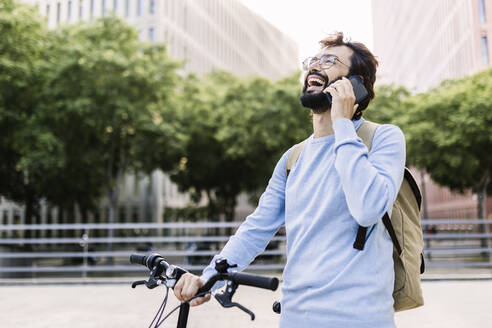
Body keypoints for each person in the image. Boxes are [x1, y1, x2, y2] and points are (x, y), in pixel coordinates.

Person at [174, 32, 405, 328]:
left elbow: (369, 208)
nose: (315, 67)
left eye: (330, 61)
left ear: (356, 85)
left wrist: (343, 125)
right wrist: (208, 276)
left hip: (359, 318)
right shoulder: (293, 158)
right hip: (295, 317)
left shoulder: (383, 138)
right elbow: (256, 228)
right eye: (314, 61)